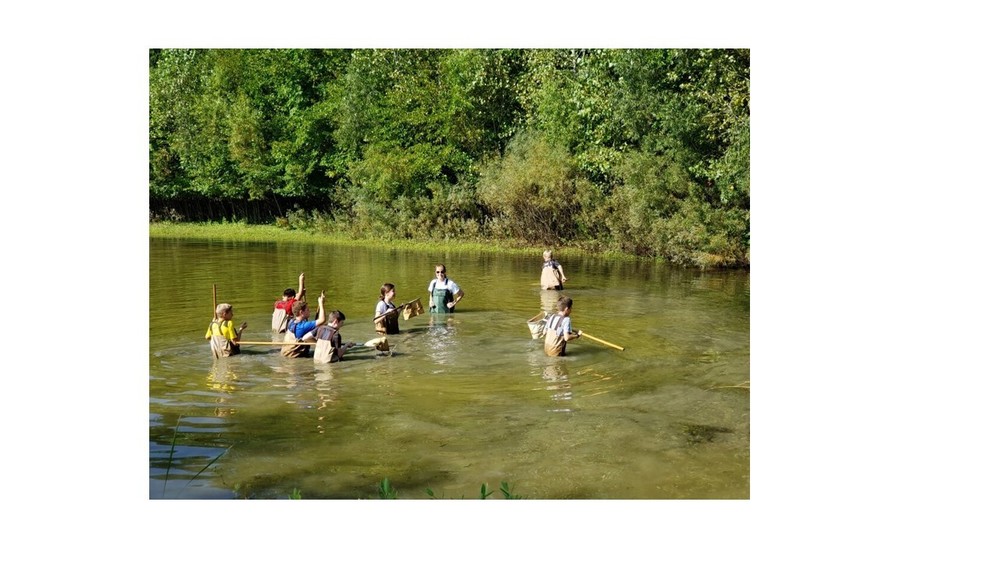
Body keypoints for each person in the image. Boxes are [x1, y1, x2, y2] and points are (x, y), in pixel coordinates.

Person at [281, 291, 326, 358]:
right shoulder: (302, 326)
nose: (309, 311)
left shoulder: (292, 321)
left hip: (286, 353)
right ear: (301, 312)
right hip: (295, 357)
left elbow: (317, 323)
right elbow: (322, 320)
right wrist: (321, 304)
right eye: (307, 310)